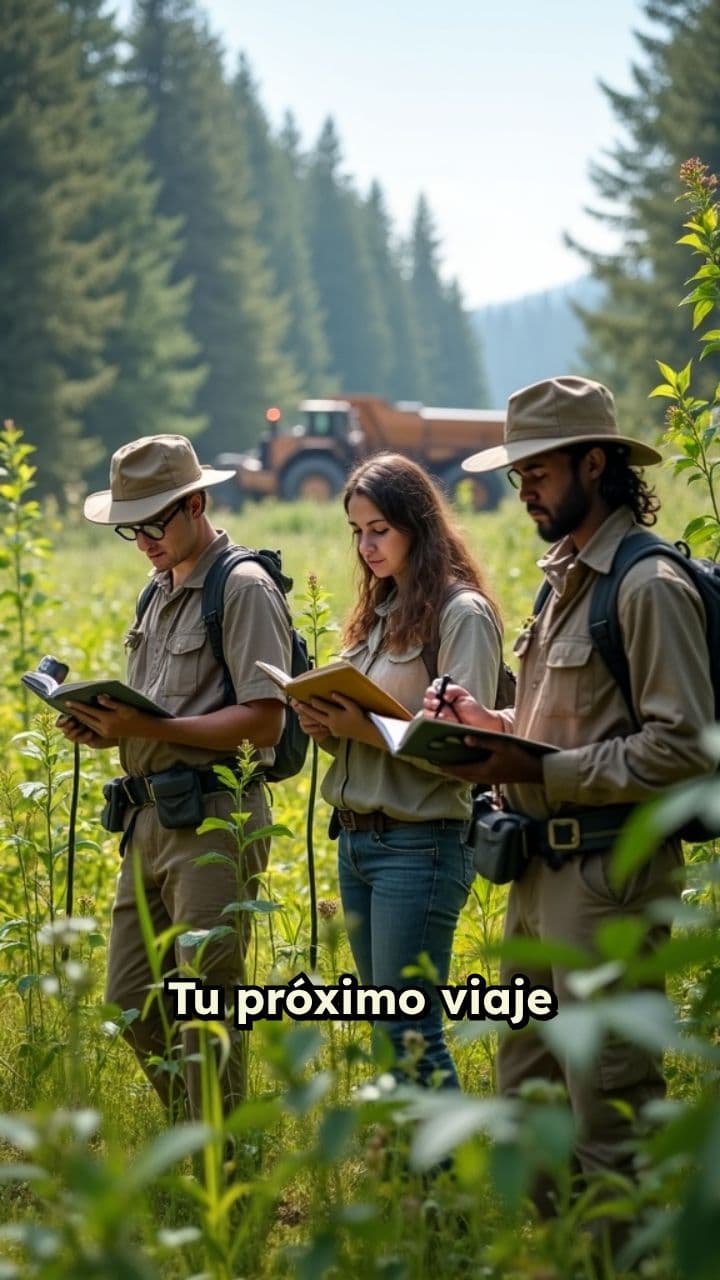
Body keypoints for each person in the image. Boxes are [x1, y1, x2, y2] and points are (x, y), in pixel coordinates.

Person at [423, 377, 715, 1212]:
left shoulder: (647, 584)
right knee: (530, 1106)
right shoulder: (564, 580)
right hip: (534, 874)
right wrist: (490, 722)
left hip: (608, 881)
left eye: (539, 474)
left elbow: (683, 747)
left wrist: (535, 772)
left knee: (608, 1111)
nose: (524, 494)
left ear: (598, 462)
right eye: (517, 478)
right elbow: (567, 718)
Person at [57, 434, 292, 1119]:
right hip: (148, 820)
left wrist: (146, 731)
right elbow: (157, 713)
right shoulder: (154, 591)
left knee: (206, 1004)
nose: (144, 541)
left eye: (155, 523)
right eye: (131, 528)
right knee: (131, 1001)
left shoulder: (241, 587)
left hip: (215, 820)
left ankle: (226, 1172)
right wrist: (105, 730)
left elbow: (265, 722)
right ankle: (199, 1134)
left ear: (197, 503)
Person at [292, 452, 503, 1088]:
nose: (366, 546)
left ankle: (441, 1179)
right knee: (385, 1024)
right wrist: (328, 727)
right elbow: (369, 734)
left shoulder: (460, 614)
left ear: (418, 524)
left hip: (421, 843)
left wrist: (364, 729)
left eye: (379, 529)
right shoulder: (382, 612)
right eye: (357, 532)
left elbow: (466, 747)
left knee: (409, 1031)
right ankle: (409, 1179)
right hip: (356, 841)